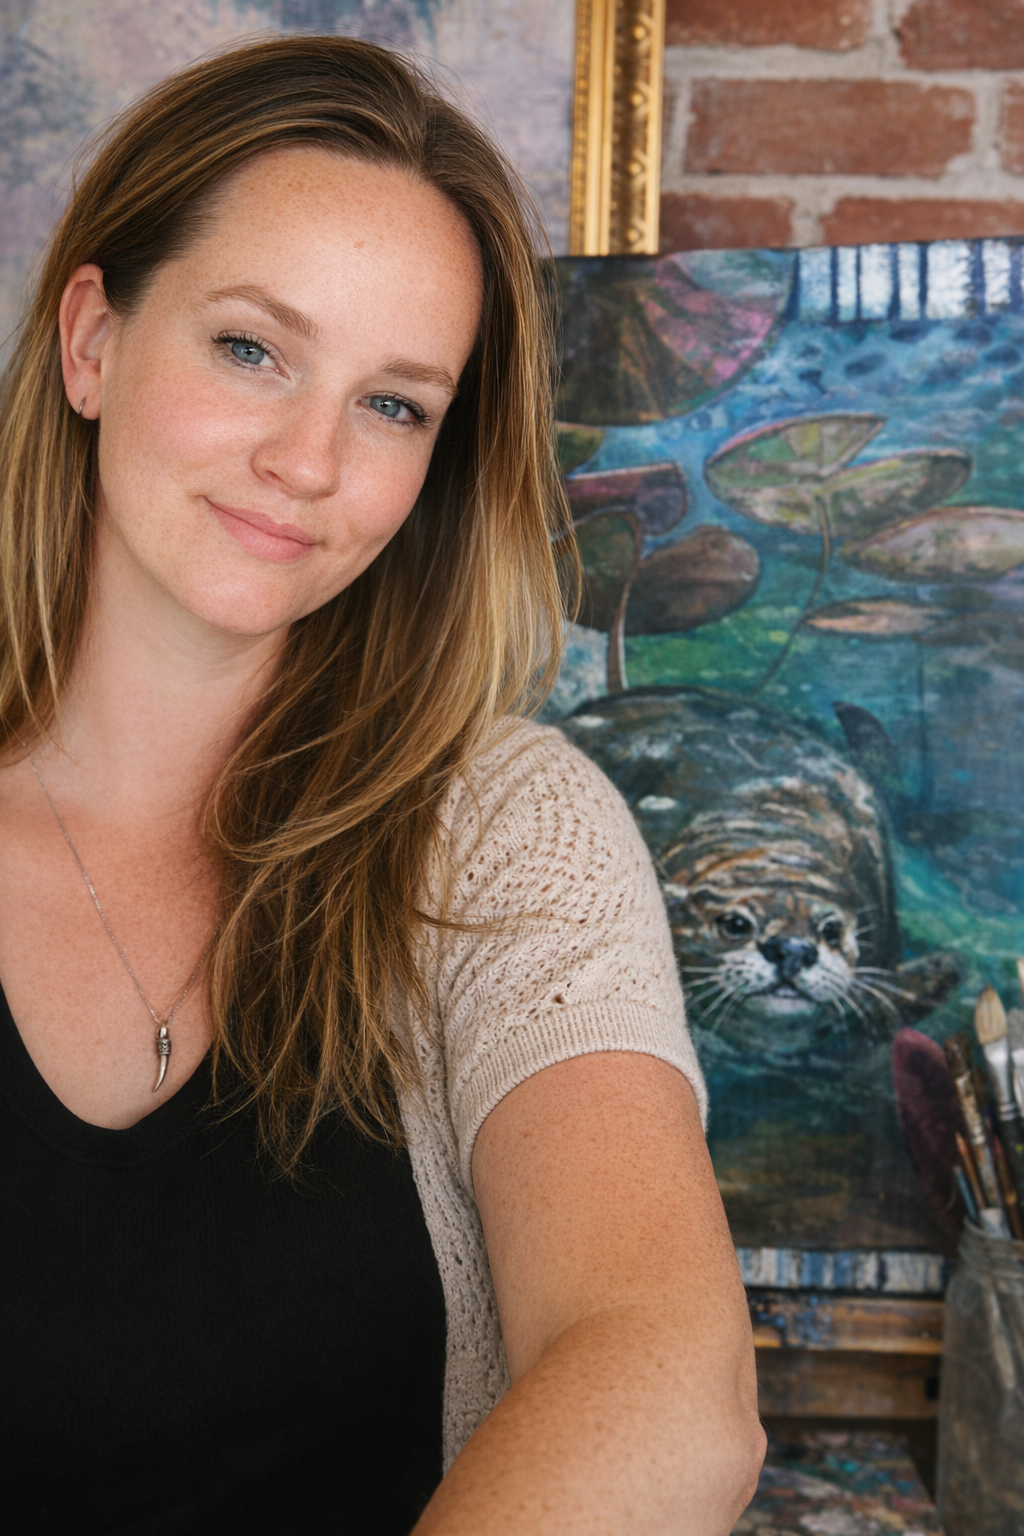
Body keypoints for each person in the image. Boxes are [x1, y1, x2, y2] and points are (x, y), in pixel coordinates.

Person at [0, 34, 764, 1534]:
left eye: (395, 403)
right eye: (251, 350)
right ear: (93, 340)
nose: (307, 459)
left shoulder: (505, 832)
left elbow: (666, 1376)